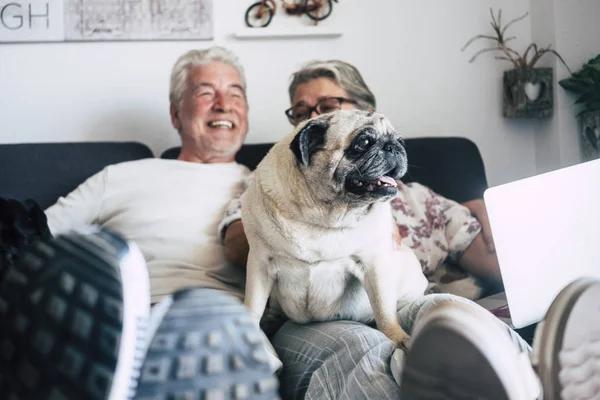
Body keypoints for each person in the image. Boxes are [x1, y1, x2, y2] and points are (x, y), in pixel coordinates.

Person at [220, 59, 600, 399]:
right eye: (301, 111)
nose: (309, 118)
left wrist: (486, 209)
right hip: (314, 319)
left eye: (326, 107)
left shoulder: (422, 199)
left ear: (363, 108)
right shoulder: (268, 186)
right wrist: (303, 233)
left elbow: (497, 263)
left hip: (407, 298)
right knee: (363, 347)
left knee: (453, 314)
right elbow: (242, 247)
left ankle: (533, 378)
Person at [0, 46, 280, 399]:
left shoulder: (266, 186)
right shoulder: (119, 176)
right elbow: (38, 239)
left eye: (234, 93)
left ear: (246, 113)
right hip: (120, 314)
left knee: (212, 336)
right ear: (175, 114)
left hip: (222, 322)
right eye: (205, 92)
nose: (223, 104)